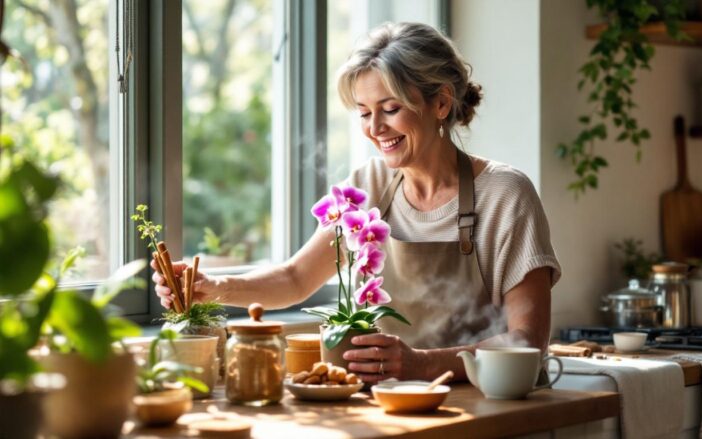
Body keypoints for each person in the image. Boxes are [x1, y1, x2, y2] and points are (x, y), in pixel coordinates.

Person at [152, 22, 561, 384]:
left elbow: (527, 340)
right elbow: (295, 278)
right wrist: (213, 288)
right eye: (364, 113)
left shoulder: (506, 194)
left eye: (390, 109)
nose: (375, 129)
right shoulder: (369, 186)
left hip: (488, 411)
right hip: (392, 407)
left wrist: (421, 365)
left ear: (440, 103)